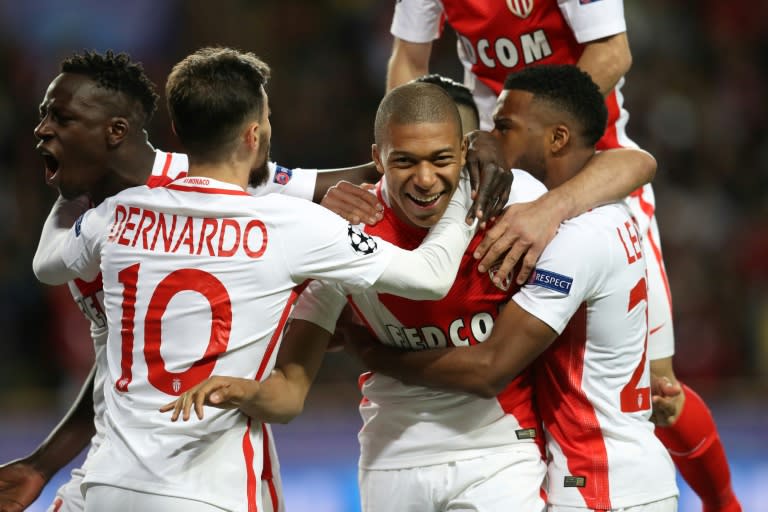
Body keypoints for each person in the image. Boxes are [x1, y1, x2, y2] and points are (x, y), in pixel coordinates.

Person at [31, 46, 478, 512]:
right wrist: (464, 181)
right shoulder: (291, 224)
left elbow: (49, 265)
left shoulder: (114, 215)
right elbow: (430, 278)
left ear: (180, 130)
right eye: (266, 118)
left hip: (109, 483)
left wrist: (70, 195)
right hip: (211, 491)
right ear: (253, 134)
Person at [386, 3, 741, 510]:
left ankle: (726, 504)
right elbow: (408, 59)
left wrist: (545, 133)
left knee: (656, 388)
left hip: (592, 161)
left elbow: (613, 52)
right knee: (517, 360)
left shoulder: (570, 143)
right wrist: (411, 141)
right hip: (493, 168)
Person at [168, 78, 555, 511]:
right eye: (405, 162)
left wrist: (373, 353)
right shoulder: (344, 234)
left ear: (464, 153)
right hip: (392, 456)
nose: (425, 180)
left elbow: (627, 168)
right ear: (377, 159)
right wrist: (241, 389)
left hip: (500, 452)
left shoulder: (518, 200)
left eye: (440, 160)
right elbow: (291, 389)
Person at [350, 64, 680, 511]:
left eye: (503, 128)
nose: (490, 143)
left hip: (597, 481)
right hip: (627, 468)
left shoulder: (571, 236)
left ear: (557, 138)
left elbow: (489, 368)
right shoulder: (606, 212)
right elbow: (639, 161)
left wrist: (378, 355)